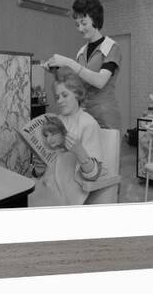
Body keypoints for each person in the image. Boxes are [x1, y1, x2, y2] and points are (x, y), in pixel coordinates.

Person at [44, 0, 122, 130]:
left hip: (105, 114)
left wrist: (70, 63)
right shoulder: (81, 52)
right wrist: (55, 69)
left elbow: (100, 81)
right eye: (77, 24)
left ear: (96, 21)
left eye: (84, 23)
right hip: (84, 112)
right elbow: (77, 82)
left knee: (104, 150)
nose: (80, 28)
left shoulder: (111, 47)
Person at [28, 69, 103, 207]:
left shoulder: (88, 124)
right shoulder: (55, 121)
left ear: (78, 95)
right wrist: (39, 168)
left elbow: (94, 175)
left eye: (64, 95)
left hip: (67, 192)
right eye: (57, 97)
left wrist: (79, 150)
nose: (60, 101)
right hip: (44, 186)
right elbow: (46, 166)